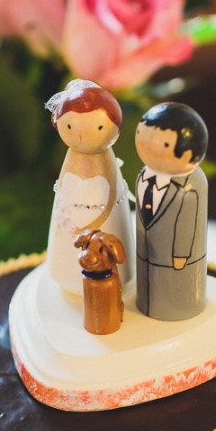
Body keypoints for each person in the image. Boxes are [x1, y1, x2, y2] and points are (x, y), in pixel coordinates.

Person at [46, 79, 134, 295]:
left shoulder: (107, 163)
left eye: (99, 127)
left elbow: (112, 195)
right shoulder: (71, 161)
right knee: (65, 248)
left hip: (103, 238)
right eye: (70, 126)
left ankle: (118, 274)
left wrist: (94, 223)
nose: (82, 135)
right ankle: (65, 272)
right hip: (72, 240)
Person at [135, 101, 209, 320]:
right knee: (149, 294)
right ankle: (148, 306)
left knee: (175, 300)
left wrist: (180, 256)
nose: (150, 145)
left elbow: (187, 224)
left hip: (176, 264)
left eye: (164, 144)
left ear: (189, 154)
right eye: (142, 134)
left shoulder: (190, 186)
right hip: (146, 254)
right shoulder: (143, 175)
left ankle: (178, 311)